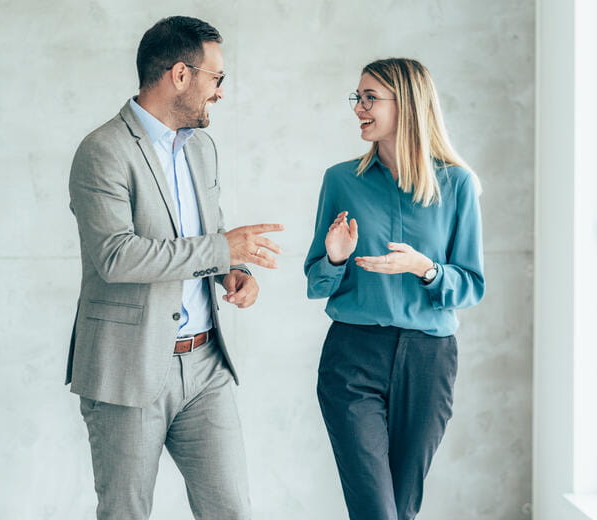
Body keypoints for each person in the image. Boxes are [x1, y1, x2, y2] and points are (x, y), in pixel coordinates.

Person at [66, 15, 282, 520]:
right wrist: (219, 251)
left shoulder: (201, 149)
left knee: (232, 511)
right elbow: (117, 256)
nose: (221, 93)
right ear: (180, 76)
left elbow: (210, 241)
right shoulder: (102, 151)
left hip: (206, 366)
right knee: (126, 513)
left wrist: (235, 273)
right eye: (217, 78)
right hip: (129, 367)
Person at [304, 58, 485, 520]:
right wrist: (337, 257)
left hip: (428, 361)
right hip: (352, 357)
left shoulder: (457, 184)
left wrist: (426, 269)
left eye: (370, 98)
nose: (359, 108)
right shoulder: (341, 180)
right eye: (358, 98)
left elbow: (471, 286)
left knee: (401, 510)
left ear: (406, 104)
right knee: (376, 511)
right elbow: (316, 282)